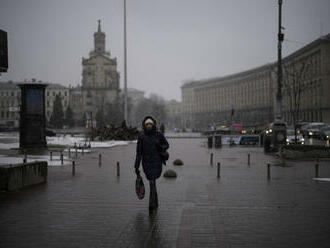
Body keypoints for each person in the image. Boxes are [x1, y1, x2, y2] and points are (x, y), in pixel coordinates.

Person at [134, 116, 169, 212]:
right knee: (152, 182)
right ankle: (155, 201)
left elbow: (166, 145)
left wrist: (160, 147)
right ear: (144, 125)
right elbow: (139, 153)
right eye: (147, 124)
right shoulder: (141, 136)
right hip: (146, 163)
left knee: (152, 182)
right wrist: (136, 166)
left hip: (157, 162)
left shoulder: (158, 134)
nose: (149, 125)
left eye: (150, 124)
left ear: (153, 125)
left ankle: (151, 204)